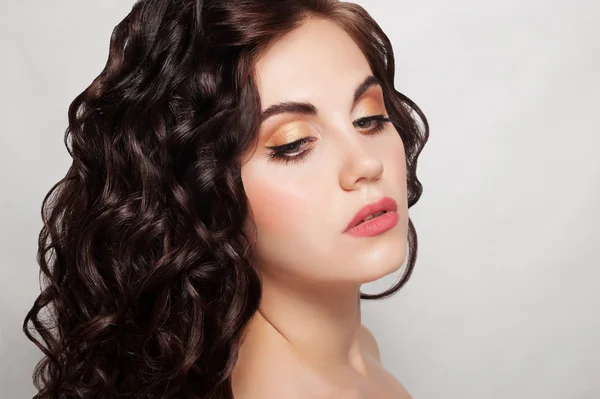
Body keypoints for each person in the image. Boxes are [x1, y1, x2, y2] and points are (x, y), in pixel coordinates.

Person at [22, 0, 429, 398]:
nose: (365, 163)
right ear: (203, 189)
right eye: (294, 143)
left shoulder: (358, 352)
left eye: (369, 118)